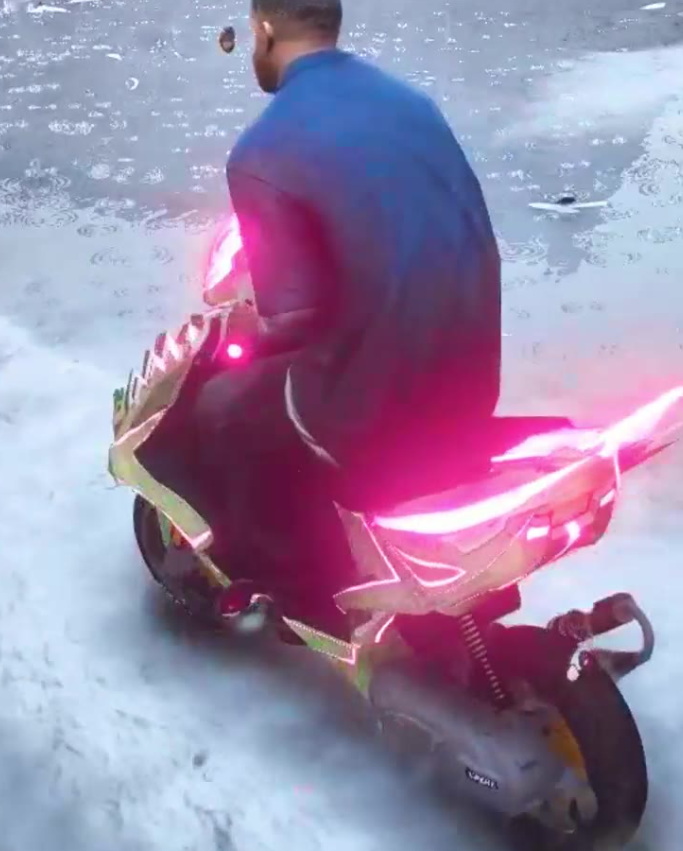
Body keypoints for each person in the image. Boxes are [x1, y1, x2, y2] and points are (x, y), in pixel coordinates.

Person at [184, 0, 502, 639]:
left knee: (222, 409)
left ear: (263, 30)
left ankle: (300, 592)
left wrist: (247, 328)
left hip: (377, 403)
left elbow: (292, 317)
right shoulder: (412, 104)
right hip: (475, 373)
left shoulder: (262, 151)